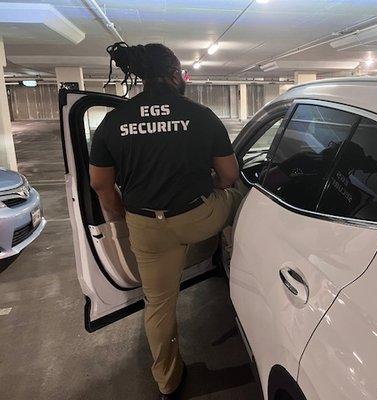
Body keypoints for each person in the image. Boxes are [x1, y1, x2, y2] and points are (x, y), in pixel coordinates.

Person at [88, 42, 242, 399]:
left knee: (158, 304)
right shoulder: (201, 115)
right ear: (175, 75)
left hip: (146, 225)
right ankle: (239, 260)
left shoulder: (113, 121)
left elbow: (100, 184)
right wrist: (216, 190)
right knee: (239, 197)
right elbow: (230, 174)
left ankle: (168, 380)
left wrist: (123, 217)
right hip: (197, 217)